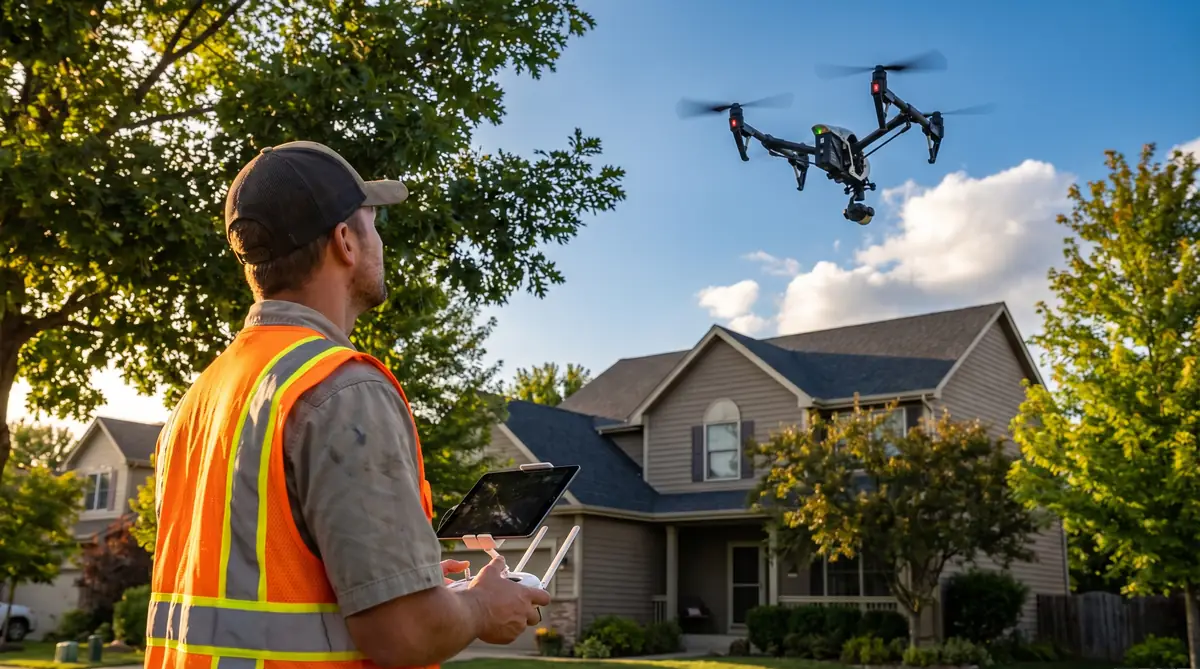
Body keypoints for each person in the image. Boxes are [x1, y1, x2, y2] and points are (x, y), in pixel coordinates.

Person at [144, 141, 551, 669]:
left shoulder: (199, 400)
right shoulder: (340, 388)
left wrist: (412, 581)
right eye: (373, 224)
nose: (380, 241)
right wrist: (480, 606)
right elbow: (403, 634)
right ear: (345, 242)